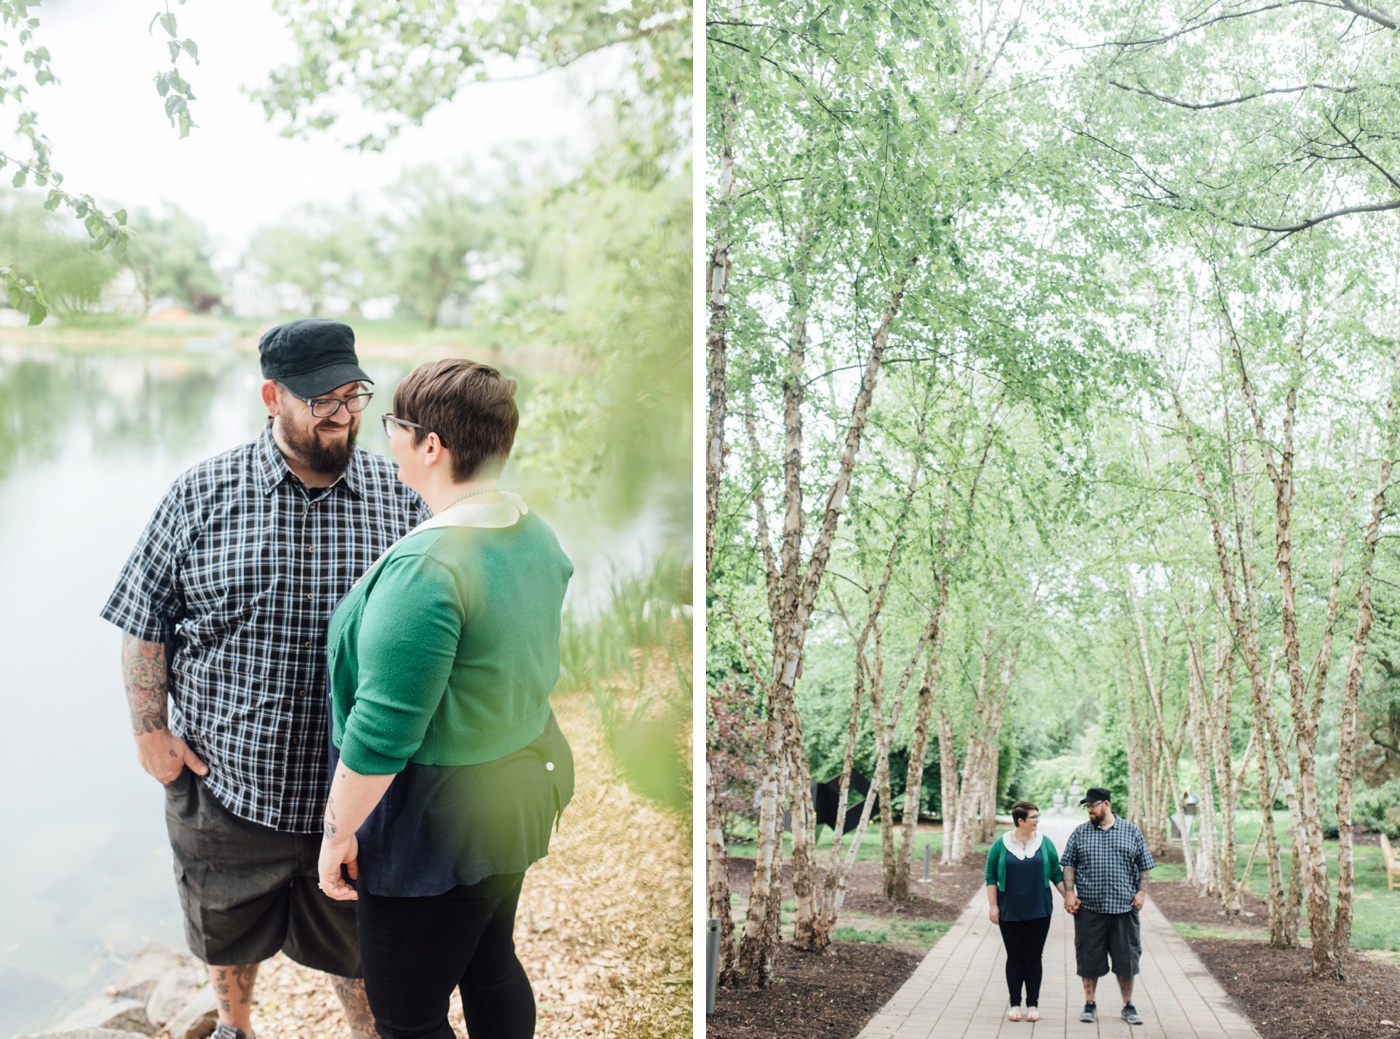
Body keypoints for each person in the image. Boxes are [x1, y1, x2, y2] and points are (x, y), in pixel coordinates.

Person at [100, 318, 427, 1039]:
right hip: (225, 787)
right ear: (271, 396)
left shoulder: (400, 496)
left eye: (354, 396)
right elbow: (143, 615)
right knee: (224, 931)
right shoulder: (199, 494)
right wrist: (149, 731)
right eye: (322, 401)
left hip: (354, 795)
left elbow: (436, 631)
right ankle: (235, 1025)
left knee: (361, 949)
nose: (342, 417)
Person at [315, 358, 575, 1039]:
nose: (385, 439)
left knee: (406, 1018)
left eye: (393, 425)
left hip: (435, 825)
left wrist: (337, 834)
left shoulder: (428, 568)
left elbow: (381, 734)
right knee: (489, 963)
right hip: (514, 792)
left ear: (432, 445)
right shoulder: (532, 532)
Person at [1061, 786, 1156, 1026]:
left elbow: (1144, 865)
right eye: (1087, 806)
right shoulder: (1080, 833)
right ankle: (1090, 1003)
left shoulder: (1131, 831)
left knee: (1127, 959)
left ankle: (1128, 1005)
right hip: (1090, 910)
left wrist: (1142, 893)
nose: (1089, 810)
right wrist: (1069, 894)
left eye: (1092, 805)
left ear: (1106, 804)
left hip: (1124, 909)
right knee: (1088, 958)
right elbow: (1069, 865)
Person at [984, 801, 1068, 1022]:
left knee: (1033, 957)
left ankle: (1032, 1005)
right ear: (1021, 820)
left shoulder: (1045, 843)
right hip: (1009, 910)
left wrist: (1069, 897)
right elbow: (991, 875)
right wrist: (993, 906)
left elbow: (1055, 874)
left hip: (1039, 909)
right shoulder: (1000, 844)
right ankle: (1014, 1004)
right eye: (1034, 817)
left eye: (1038, 816)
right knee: (1014, 957)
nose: (1037, 820)